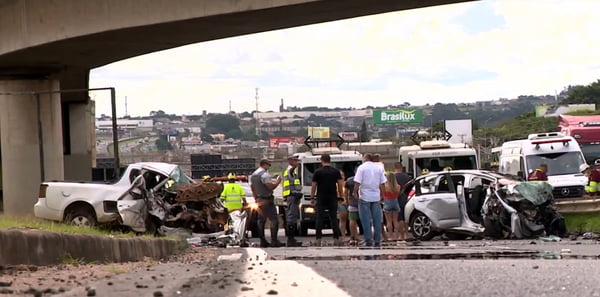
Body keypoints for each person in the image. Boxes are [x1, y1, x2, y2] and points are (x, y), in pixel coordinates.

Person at [353, 153, 387, 248]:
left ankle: (368, 239)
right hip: (376, 197)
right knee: (377, 219)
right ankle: (377, 239)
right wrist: (382, 194)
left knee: (366, 219)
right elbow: (382, 183)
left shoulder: (361, 168)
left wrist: (354, 192)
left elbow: (357, 182)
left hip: (364, 197)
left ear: (365, 158)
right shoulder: (379, 168)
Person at [310, 154, 344, 246]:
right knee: (333, 218)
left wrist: (312, 197)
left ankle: (318, 239)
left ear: (322, 160)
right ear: (330, 160)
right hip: (332, 197)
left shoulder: (317, 172)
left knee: (319, 218)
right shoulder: (335, 171)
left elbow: (313, 186)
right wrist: (341, 196)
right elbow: (340, 185)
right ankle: (336, 239)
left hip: (321, 197)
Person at [250, 159, 283, 248]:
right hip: (267, 199)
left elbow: (252, 187)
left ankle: (262, 241)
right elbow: (270, 186)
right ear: (264, 165)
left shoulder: (253, 175)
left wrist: (256, 198)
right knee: (274, 220)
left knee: (261, 220)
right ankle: (274, 241)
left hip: (259, 200)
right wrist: (278, 181)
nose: (269, 167)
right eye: (269, 165)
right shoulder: (264, 174)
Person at [282, 155, 303, 247]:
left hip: (292, 196)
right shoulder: (290, 171)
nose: (297, 163)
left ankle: (292, 239)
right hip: (292, 196)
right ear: (290, 161)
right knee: (291, 217)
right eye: (295, 161)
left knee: (293, 217)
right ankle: (290, 239)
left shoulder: (291, 171)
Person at [393, 162, 411, 242]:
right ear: (401, 168)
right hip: (406, 198)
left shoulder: (393, 177)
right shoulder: (407, 177)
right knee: (405, 217)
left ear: (395, 168)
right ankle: (407, 234)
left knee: (399, 218)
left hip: (397, 198)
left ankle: (401, 235)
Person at [383, 171, 401, 241]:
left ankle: (390, 236)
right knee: (395, 221)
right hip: (395, 202)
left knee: (389, 221)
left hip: (387, 203)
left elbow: (383, 194)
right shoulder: (398, 186)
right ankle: (396, 236)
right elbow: (398, 195)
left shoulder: (385, 186)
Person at [345, 173, 360, 245]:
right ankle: (367, 236)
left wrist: (347, 201)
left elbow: (346, 192)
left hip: (352, 203)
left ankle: (353, 236)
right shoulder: (363, 179)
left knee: (352, 219)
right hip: (363, 202)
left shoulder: (349, 180)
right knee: (365, 220)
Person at [337, 170, 349, 243]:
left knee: (351, 220)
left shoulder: (346, 184)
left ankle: (353, 236)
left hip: (349, 203)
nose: (342, 177)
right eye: (340, 175)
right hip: (341, 204)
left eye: (343, 175)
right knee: (343, 220)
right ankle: (343, 236)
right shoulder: (335, 185)